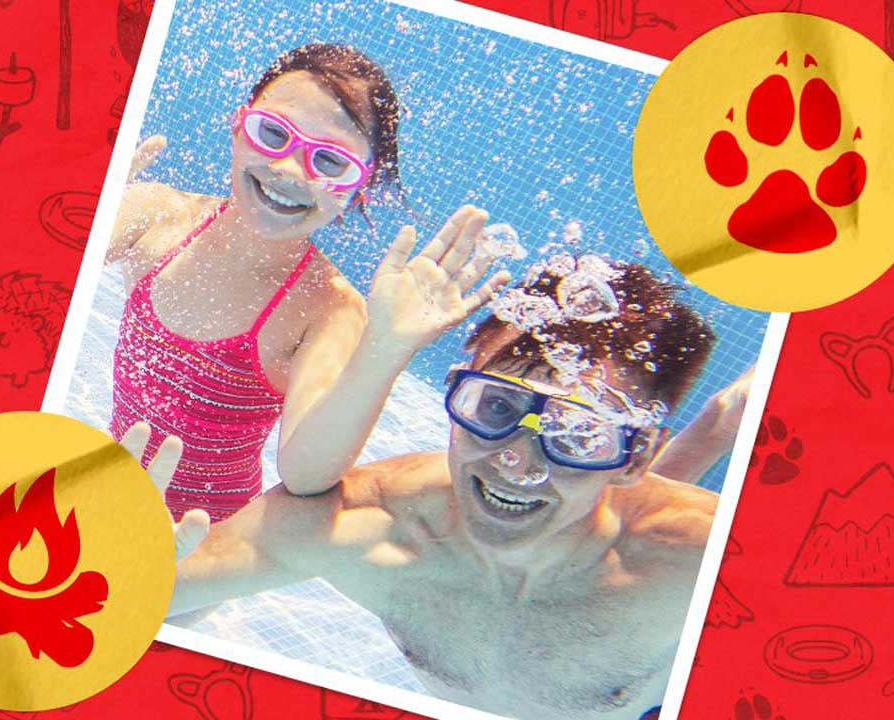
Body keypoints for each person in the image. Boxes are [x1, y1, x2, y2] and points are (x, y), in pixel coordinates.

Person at [128, 258, 731, 720]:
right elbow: (133, 598)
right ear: (454, 396)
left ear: (635, 458)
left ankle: (722, 419)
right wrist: (116, 557)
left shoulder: (698, 557)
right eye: (495, 406)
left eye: (577, 436)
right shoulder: (373, 527)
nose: (517, 463)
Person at [108, 43, 508, 522]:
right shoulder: (154, 216)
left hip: (201, 540)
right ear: (239, 126)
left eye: (330, 162)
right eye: (273, 133)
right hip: (110, 487)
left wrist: (385, 350)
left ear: (361, 182)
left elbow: (304, 474)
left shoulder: (326, 308)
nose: (288, 171)